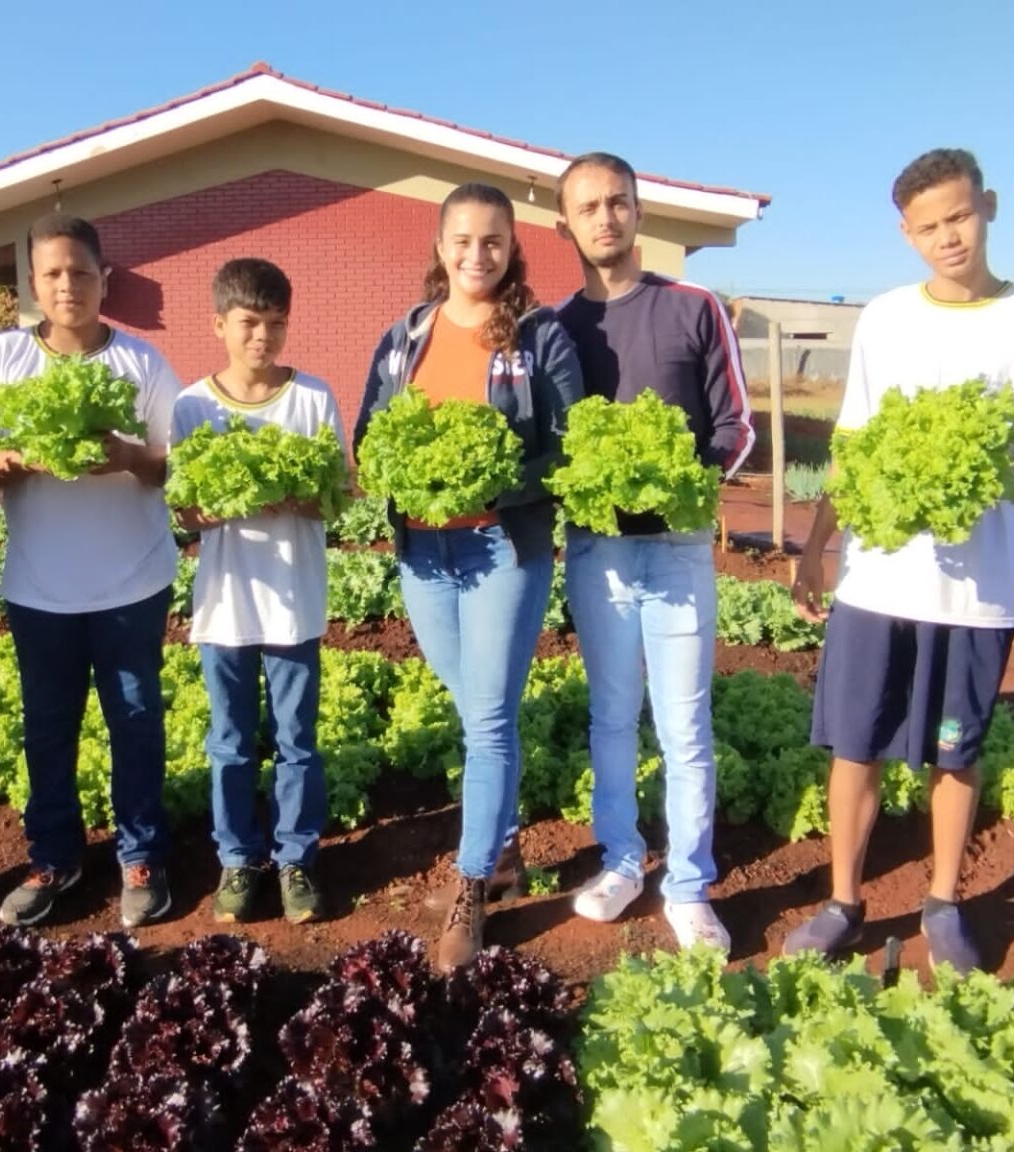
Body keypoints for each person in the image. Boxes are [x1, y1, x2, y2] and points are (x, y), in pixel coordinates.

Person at [783, 148, 1014, 972]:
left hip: (977, 587)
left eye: (959, 216)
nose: (948, 237)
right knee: (855, 745)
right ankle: (843, 900)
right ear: (907, 235)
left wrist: (958, 487)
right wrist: (816, 545)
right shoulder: (885, 317)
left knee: (957, 751)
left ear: (988, 204)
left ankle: (944, 903)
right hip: (879, 579)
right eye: (928, 227)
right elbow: (855, 444)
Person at [356, 183, 582, 972]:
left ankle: (472, 886)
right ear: (441, 244)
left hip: (502, 550)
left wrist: (499, 486)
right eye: (462, 240)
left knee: (487, 720)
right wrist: (398, 478)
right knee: (474, 710)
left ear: (511, 246)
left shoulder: (538, 334)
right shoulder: (406, 334)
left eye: (492, 241)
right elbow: (370, 434)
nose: (476, 255)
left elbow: (565, 444)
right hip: (426, 554)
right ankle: (507, 846)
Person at [0, 213, 181, 929]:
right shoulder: (2, 359)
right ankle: (54, 857)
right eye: (51, 273)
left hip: (132, 581)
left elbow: (173, 465)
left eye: (80, 273)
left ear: (103, 280)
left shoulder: (141, 364)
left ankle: (141, 856)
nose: (66, 286)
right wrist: (6, 461)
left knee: (136, 722)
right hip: (39, 586)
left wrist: (129, 458)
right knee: (48, 727)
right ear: (32, 282)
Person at [553, 152, 755, 946]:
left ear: (639, 211)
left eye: (617, 202)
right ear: (566, 221)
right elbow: (550, 445)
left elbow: (735, 426)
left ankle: (690, 882)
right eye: (588, 206)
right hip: (597, 552)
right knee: (609, 715)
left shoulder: (694, 307)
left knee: (683, 723)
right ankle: (622, 857)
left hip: (675, 549)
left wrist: (682, 486)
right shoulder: (558, 327)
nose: (605, 217)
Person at [169, 257, 345, 926]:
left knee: (298, 740)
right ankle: (239, 861)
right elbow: (182, 511)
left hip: (294, 602)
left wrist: (298, 495)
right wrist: (213, 505)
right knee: (231, 742)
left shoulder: (312, 398)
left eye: (275, 324)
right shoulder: (193, 405)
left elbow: (335, 499)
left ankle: (297, 859)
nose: (262, 338)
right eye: (248, 324)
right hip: (224, 606)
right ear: (219, 324)